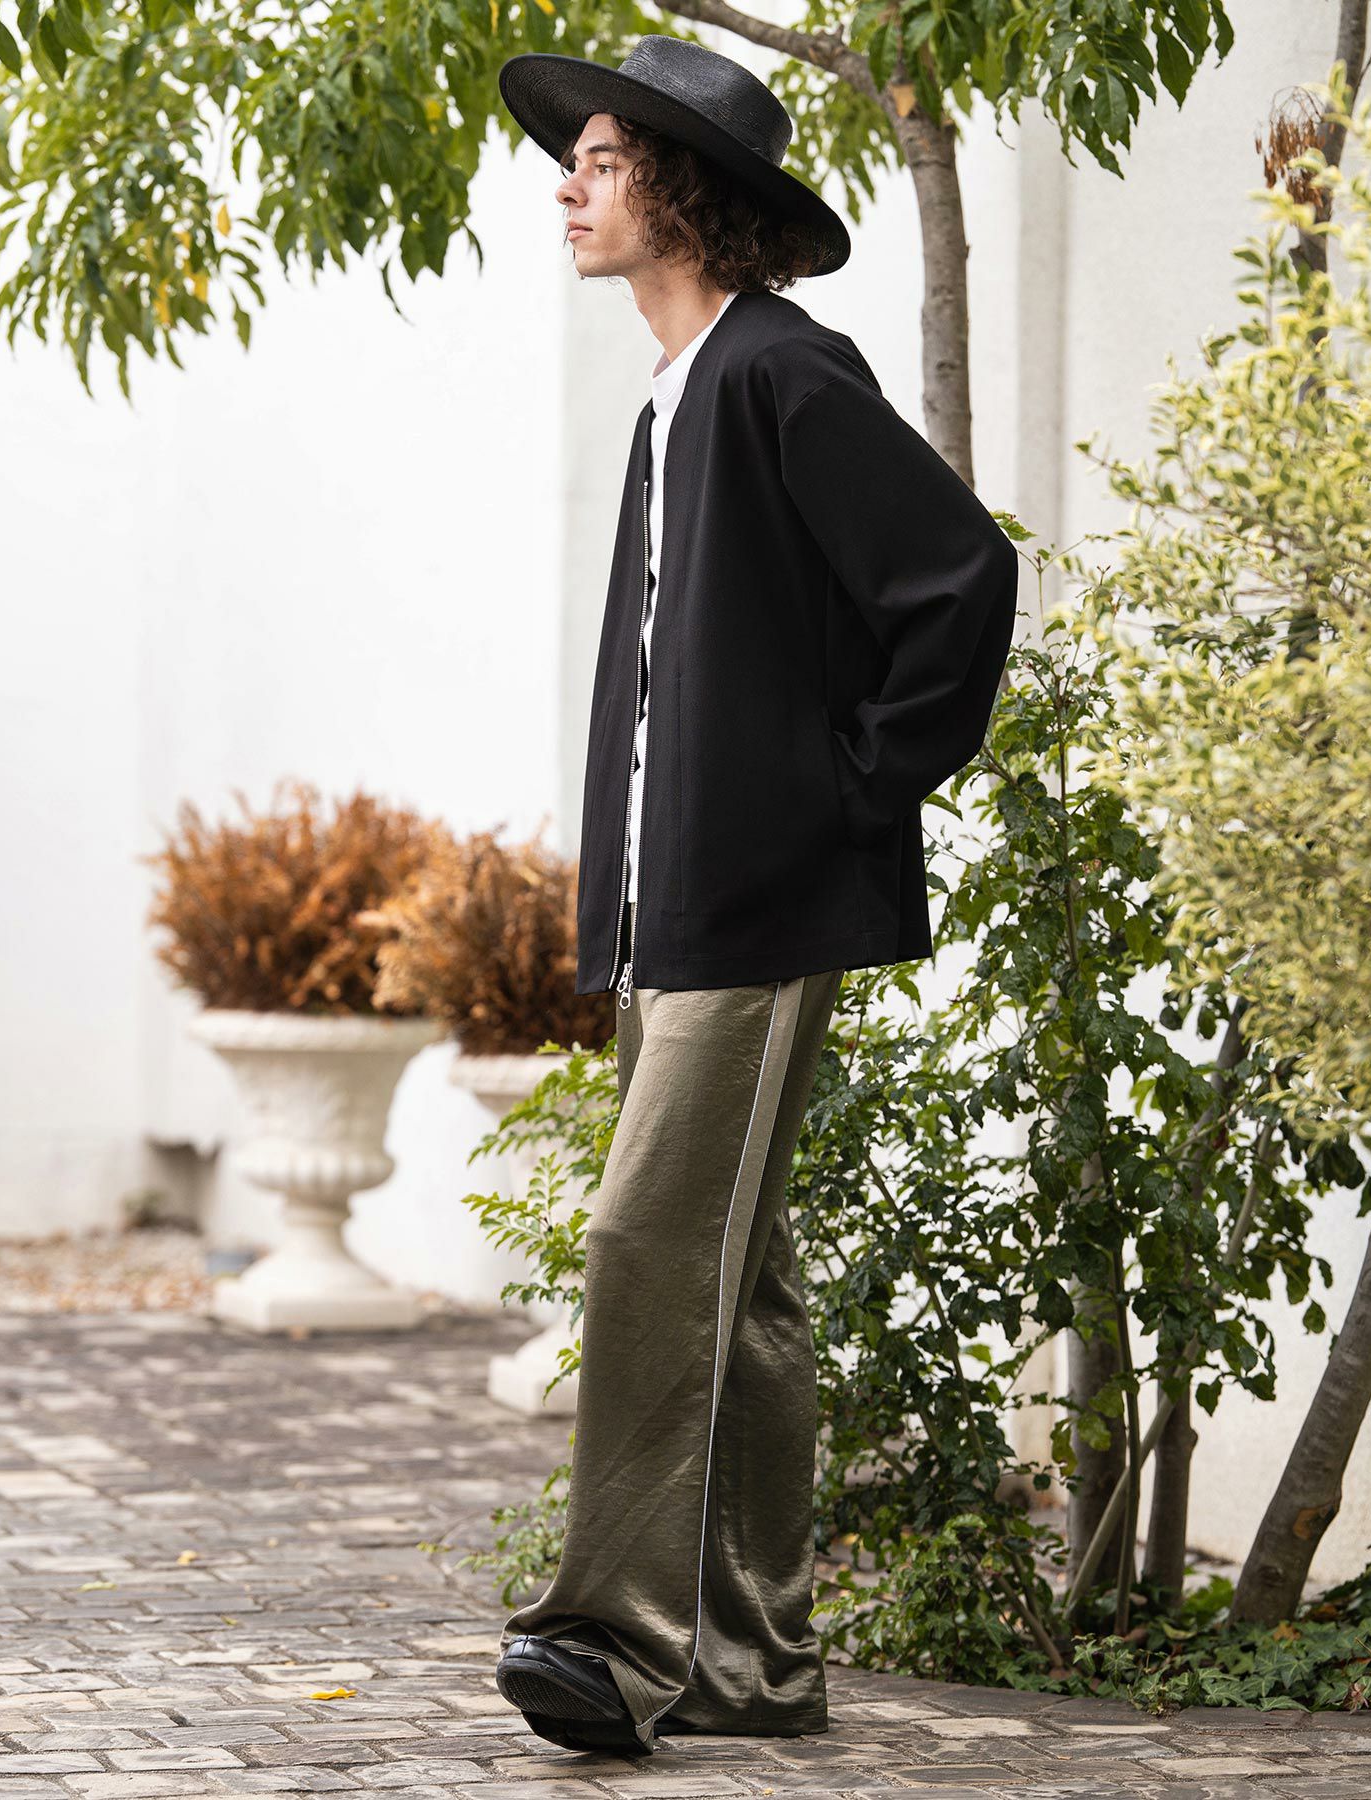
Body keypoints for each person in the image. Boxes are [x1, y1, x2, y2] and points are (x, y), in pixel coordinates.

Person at [491, 32, 1019, 1759]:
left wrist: (846, 793)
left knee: (646, 1238)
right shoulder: (676, 395)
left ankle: (613, 1640)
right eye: (574, 161)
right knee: (743, 1275)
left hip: (762, 902)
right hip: (682, 911)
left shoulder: (784, 368)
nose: (568, 189)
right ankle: (757, 1660)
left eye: (602, 162)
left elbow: (959, 579)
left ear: (684, 190)